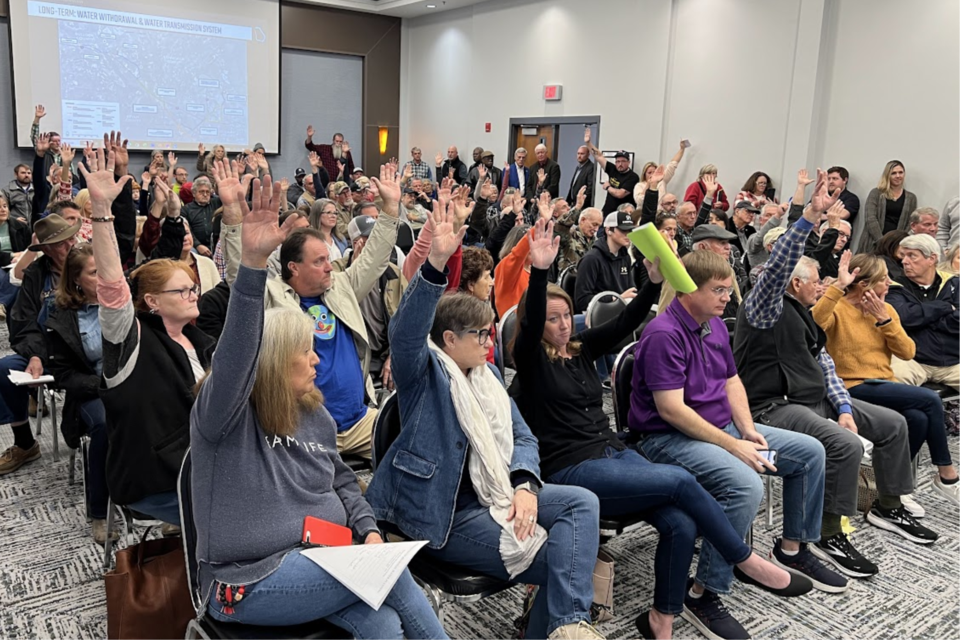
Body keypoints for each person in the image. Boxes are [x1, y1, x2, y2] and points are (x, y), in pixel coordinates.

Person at [512, 222, 808, 639]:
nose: (562, 326)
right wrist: (541, 271)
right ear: (537, 321)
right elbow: (527, 333)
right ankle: (744, 558)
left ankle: (660, 621)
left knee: (681, 523)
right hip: (571, 469)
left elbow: (626, 321)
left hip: (613, 453)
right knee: (680, 480)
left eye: (567, 317)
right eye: (552, 319)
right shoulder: (532, 364)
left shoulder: (579, 350)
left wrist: (651, 281)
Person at [190, 174, 446, 639]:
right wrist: (250, 265)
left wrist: (367, 529)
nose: (316, 358)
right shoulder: (225, 416)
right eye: (305, 350)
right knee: (392, 576)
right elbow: (234, 356)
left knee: (384, 625)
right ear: (270, 359)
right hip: (245, 580)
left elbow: (344, 482)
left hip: (319, 556)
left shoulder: (312, 410)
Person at [366, 202, 607, 640]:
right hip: (445, 512)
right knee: (564, 558)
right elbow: (404, 334)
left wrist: (523, 484)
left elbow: (522, 436)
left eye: (490, 331)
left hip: (494, 491)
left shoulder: (488, 375)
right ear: (449, 340)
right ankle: (564, 627)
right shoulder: (423, 374)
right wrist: (436, 263)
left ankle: (567, 626)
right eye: (480, 335)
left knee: (582, 504)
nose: (489, 341)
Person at [629, 249, 841, 640]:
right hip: (666, 439)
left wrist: (746, 429)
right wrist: (733, 445)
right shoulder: (663, 333)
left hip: (720, 427)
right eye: (718, 289)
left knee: (809, 453)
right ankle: (703, 593)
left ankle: (792, 549)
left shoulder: (715, 325)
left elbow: (731, 381)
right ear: (688, 290)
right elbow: (672, 411)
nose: (727, 297)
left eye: (729, 289)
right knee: (744, 484)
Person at [734, 169, 915, 578]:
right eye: (815, 282)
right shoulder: (764, 308)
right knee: (845, 445)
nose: (823, 286)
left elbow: (825, 364)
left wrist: (845, 405)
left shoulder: (805, 313)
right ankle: (830, 532)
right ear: (793, 283)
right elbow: (778, 266)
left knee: (892, 424)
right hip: (773, 407)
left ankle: (889, 506)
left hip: (813, 398)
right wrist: (808, 217)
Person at [219, 160, 400, 459]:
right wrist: (232, 213)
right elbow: (241, 274)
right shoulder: (273, 297)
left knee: (411, 455)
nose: (330, 267)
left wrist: (391, 209)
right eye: (319, 262)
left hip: (359, 420)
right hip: (302, 427)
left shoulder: (341, 286)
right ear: (294, 267)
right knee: (323, 496)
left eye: (328, 259)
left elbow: (375, 258)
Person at [84, 142, 212, 525]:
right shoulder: (131, 339)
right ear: (153, 301)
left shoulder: (201, 340)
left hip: (204, 466)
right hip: (157, 478)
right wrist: (103, 212)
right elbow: (111, 287)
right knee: (252, 508)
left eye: (193, 288)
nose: (193, 294)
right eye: (182, 291)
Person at [812, 253, 958, 517]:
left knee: (918, 419)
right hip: (849, 385)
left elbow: (908, 351)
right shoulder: (838, 308)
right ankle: (946, 474)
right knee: (930, 400)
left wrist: (885, 321)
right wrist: (836, 288)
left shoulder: (885, 310)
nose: (890, 283)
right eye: (884, 279)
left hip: (882, 383)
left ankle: (890, 490)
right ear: (864, 284)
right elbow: (814, 323)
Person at [0, 214, 80, 476]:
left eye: (71, 239)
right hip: (47, 353)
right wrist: (35, 355)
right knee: (5, 368)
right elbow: (23, 321)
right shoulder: (36, 274)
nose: (70, 246)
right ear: (44, 249)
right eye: (60, 243)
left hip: (83, 353)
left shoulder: (87, 265)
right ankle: (24, 442)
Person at [43, 244, 112, 543]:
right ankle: (99, 511)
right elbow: (62, 375)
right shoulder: (61, 314)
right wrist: (100, 386)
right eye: (96, 273)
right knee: (106, 425)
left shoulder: (121, 302)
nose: (104, 278)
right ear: (76, 280)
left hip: (129, 383)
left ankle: (163, 500)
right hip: (90, 390)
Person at [332, 215, 408, 392]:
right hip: (350, 355)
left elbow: (407, 319)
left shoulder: (392, 272)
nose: (379, 244)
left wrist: (394, 355)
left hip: (384, 354)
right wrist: (356, 270)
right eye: (372, 238)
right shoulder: (336, 270)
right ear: (356, 241)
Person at [886, 234, 959, 392]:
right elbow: (903, 317)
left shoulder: (954, 284)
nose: (905, 261)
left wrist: (923, 319)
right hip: (911, 360)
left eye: (912, 255)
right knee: (892, 386)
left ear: (931, 259)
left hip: (955, 361)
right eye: (903, 255)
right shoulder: (893, 287)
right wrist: (944, 307)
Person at [573, 208, 637, 314]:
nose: (628, 234)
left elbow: (631, 289)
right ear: (608, 230)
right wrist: (616, 299)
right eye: (623, 230)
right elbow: (582, 301)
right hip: (598, 316)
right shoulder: (592, 259)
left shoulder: (625, 257)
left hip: (621, 313)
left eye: (630, 230)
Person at [862, 160, 918, 253]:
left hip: (897, 246)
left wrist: (897, 242)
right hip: (873, 242)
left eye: (900, 172)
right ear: (887, 175)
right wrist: (882, 241)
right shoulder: (876, 193)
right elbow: (870, 218)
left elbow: (910, 222)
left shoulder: (911, 197)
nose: (898, 176)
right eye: (893, 173)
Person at [585, 133, 639, 215]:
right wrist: (588, 143)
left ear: (629, 162)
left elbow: (620, 194)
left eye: (623, 161)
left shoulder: (633, 177)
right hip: (607, 211)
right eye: (618, 161)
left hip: (622, 214)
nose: (620, 164)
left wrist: (608, 187)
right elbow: (599, 156)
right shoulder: (613, 169)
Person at [632, 141, 686, 209]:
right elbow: (639, 201)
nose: (652, 175)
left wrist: (682, 149)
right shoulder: (639, 185)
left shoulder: (661, 181)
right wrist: (649, 184)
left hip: (660, 214)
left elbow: (672, 165)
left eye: (654, 172)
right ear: (644, 174)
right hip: (645, 215)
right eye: (649, 173)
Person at [180, 176, 220, 257]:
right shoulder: (186, 210)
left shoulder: (216, 203)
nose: (205, 194)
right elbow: (187, 230)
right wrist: (198, 245)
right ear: (194, 193)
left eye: (207, 192)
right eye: (201, 192)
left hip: (217, 245)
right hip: (196, 246)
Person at [744, 203, 783, 269]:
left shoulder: (784, 238)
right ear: (760, 219)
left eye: (774, 216)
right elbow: (760, 239)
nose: (771, 219)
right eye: (768, 215)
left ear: (780, 221)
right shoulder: (753, 238)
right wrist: (777, 216)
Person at [566, 144, 595, 209]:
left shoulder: (591, 167)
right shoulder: (578, 167)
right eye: (578, 153)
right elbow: (573, 186)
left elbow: (590, 188)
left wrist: (581, 202)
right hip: (573, 204)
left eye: (582, 154)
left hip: (583, 205)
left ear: (588, 155)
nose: (579, 156)